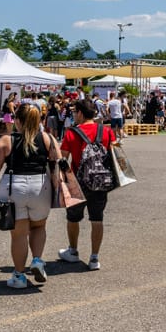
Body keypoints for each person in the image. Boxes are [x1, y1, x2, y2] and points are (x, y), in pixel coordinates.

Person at [0, 103, 62, 289]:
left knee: (18, 234)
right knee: (39, 226)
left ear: (17, 121)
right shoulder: (48, 138)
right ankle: (37, 260)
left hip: (13, 187)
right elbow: (58, 162)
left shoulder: (6, 141)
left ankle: (19, 276)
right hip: (41, 187)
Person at [58, 98, 117, 271]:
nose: (74, 115)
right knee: (97, 218)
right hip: (101, 181)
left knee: (73, 218)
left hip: (78, 182)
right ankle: (94, 258)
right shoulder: (106, 131)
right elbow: (115, 154)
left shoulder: (72, 133)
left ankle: (73, 251)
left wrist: (61, 181)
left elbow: (63, 159)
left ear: (81, 113)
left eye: (74, 112)